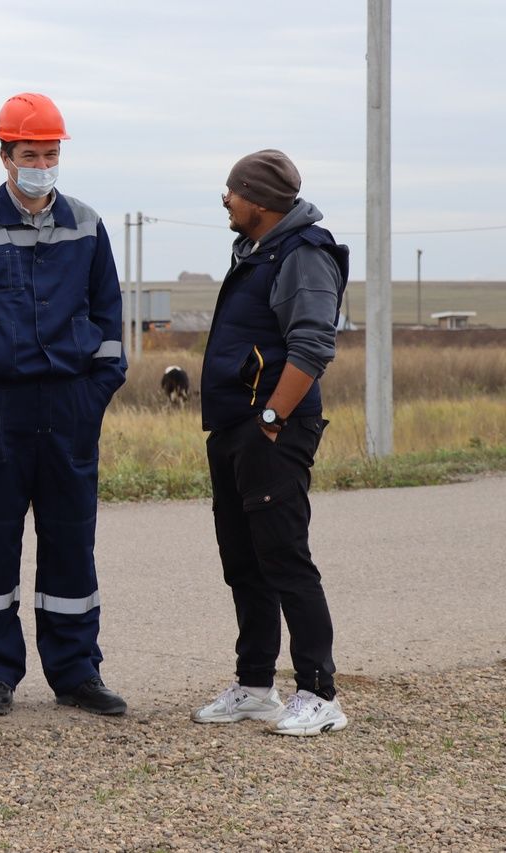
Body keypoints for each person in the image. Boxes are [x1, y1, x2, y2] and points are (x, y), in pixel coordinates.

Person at [0, 93, 127, 718]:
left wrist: (95, 392)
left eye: (51, 153)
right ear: (4, 155)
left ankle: (77, 673)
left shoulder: (86, 222)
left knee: (71, 543)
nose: (42, 165)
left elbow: (109, 317)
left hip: (70, 408)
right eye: (30, 154)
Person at [194, 149, 349, 736]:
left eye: (231, 191)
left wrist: (269, 418)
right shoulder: (258, 252)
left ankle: (319, 692)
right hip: (237, 426)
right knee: (244, 560)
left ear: (258, 201)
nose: (225, 200)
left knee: (284, 557)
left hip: (272, 430)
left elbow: (312, 346)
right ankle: (256, 685)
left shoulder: (304, 254)